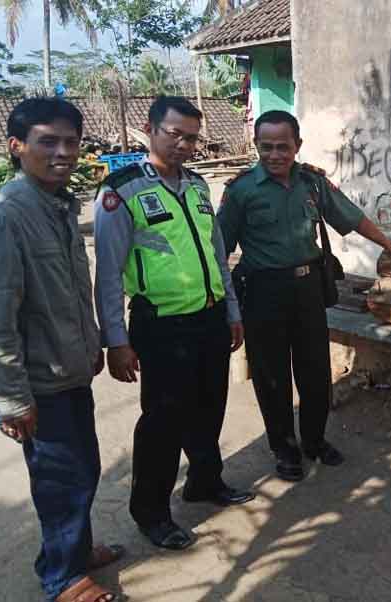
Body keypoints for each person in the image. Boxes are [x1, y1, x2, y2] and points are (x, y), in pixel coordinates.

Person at [0, 98, 122, 602]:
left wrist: (93, 343)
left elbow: (71, 291)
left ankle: (72, 550)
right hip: (38, 380)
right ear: (17, 147)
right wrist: (11, 397)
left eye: (71, 142)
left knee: (84, 467)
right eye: (47, 142)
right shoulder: (4, 216)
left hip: (70, 368)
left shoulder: (59, 206)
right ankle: (62, 577)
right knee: (60, 479)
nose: (63, 152)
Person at [217, 110, 391, 481]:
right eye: (267, 147)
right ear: (256, 146)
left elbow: (352, 217)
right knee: (272, 375)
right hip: (263, 291)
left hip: (308, 288)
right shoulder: (241, 190)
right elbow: (219, 251)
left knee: (314, 371)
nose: (275, 155)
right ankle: (285, 449)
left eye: (283, 147)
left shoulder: (312, 183)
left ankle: (314, 440)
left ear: (298, 146)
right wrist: (227, 308)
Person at [94, 96, 254, 551]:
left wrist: (232, 312)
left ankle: (205, 481)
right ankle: (151, 512)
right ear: (150, 129)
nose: (184, 144)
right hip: (160, 325)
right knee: (163, 423)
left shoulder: (200, 187)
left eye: (191, 137)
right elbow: (107, 273)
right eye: (174, 134)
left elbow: (217, 255)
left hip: (209, 319)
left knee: (210, 408)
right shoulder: (121, 191)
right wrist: (115, 341)